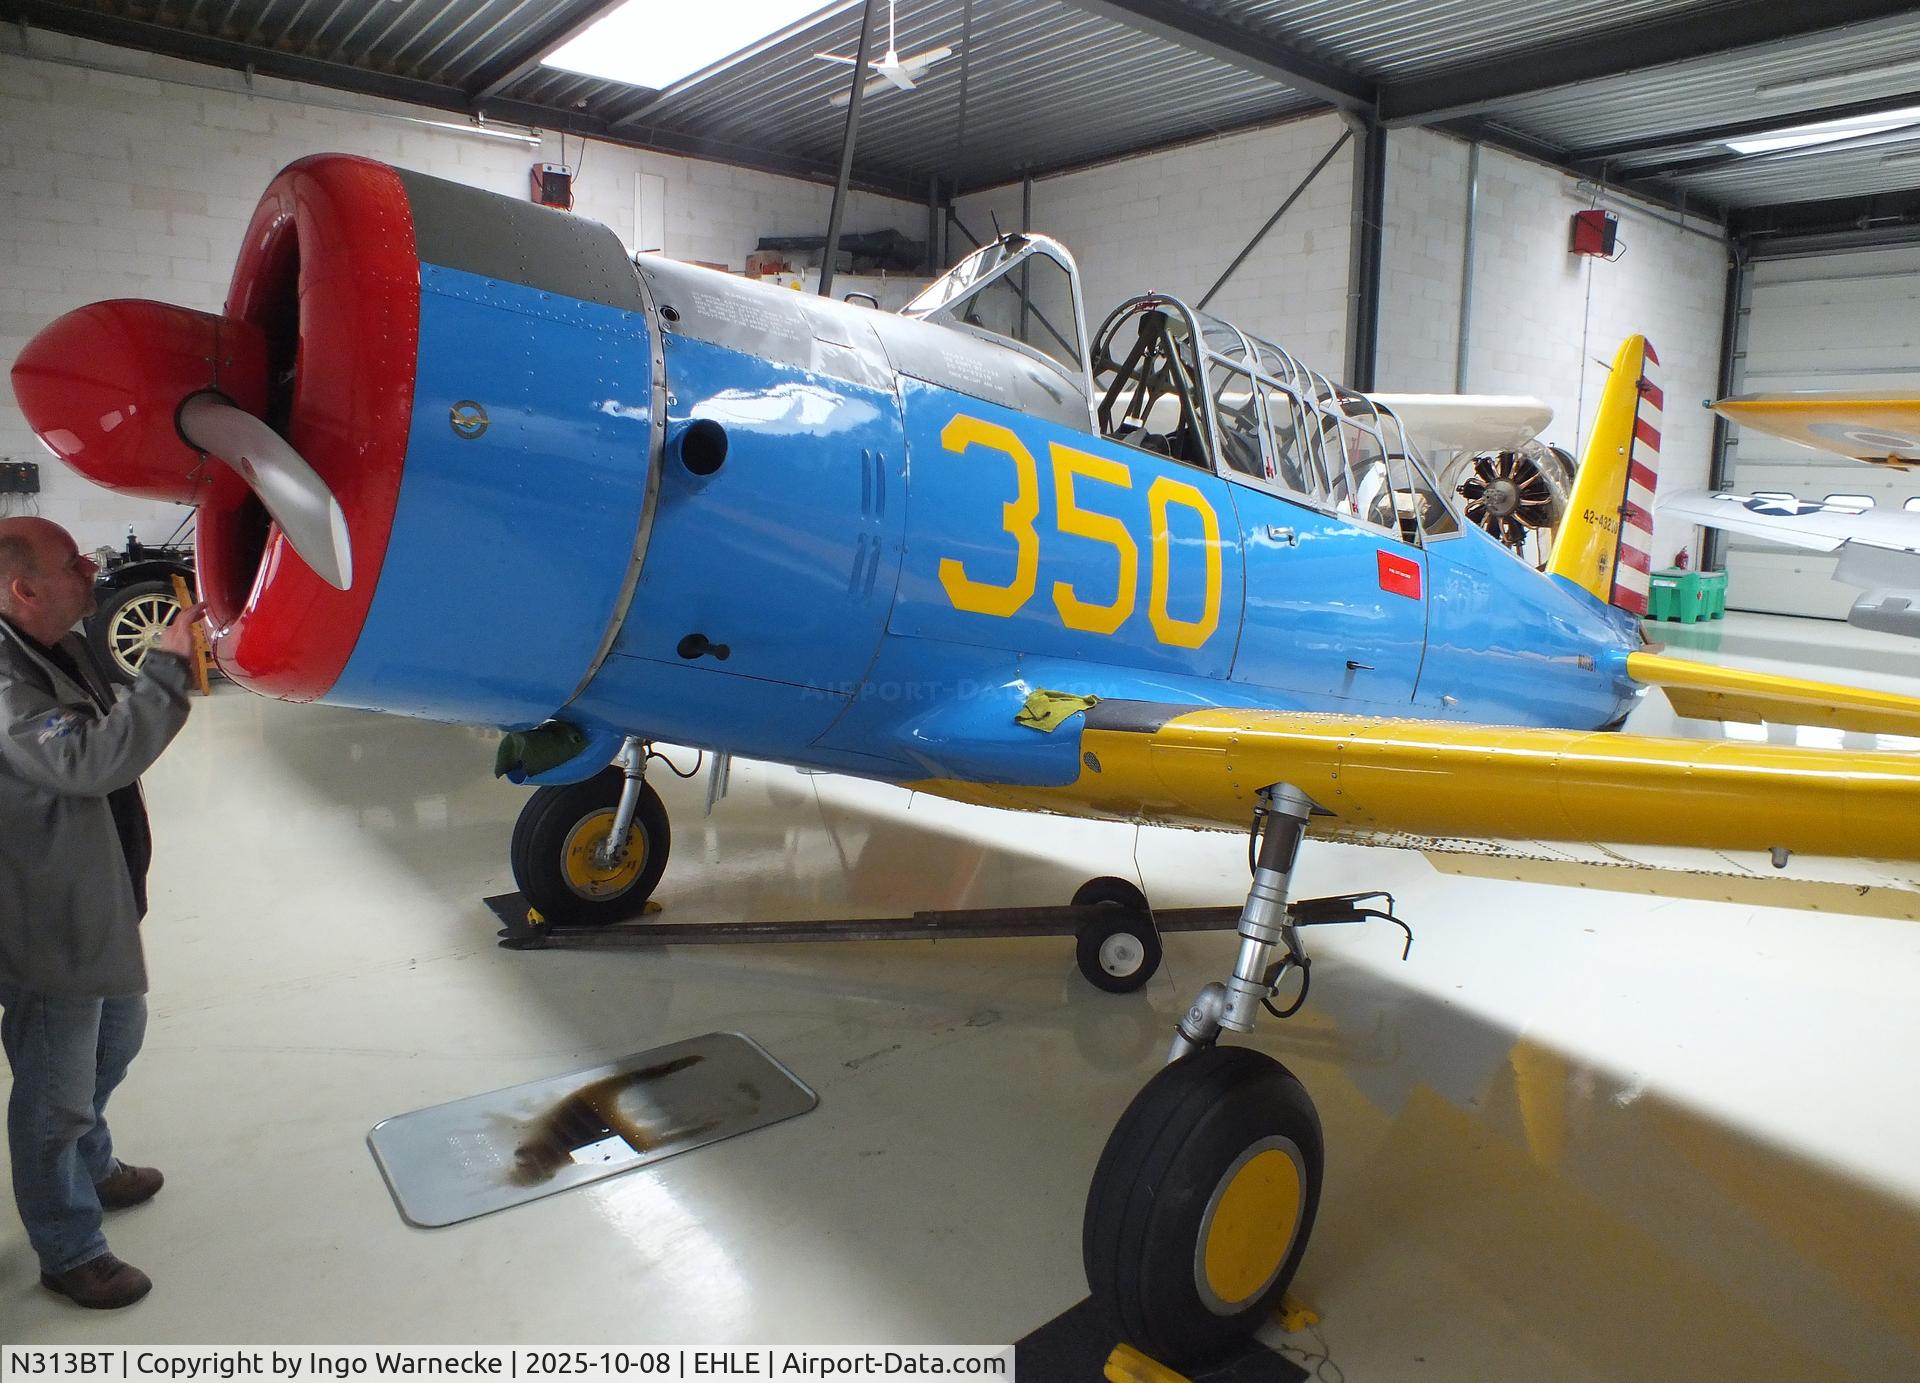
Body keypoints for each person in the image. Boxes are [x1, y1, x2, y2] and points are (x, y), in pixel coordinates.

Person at [0, 516, 201, 1309]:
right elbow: (90, 759)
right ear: (24, 589)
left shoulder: (57, 645)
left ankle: (91, 1159)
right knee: (53, 1094)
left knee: (118, 1037)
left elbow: (105, 723)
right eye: (71, 562)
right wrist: (166, 672)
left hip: (96, 899)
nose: (90, 568)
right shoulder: (7, 684)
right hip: (48, 919)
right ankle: (70, 1248)